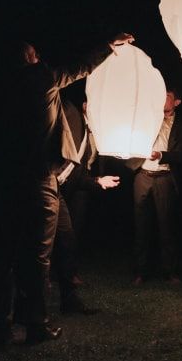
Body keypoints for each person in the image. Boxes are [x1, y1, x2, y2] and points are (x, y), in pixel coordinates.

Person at [0, 33, 133, 345]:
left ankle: (1, 326)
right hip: (39, 179)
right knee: (38, 255)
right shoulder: (42, 80)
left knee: (4, 254)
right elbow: (79, 66)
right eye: (33, 53)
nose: (38, 55)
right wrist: (108, 45)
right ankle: (36, 325)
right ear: (30, 59)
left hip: (4, 181)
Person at [52, 98, 120, 308]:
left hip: (65, 188)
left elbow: (78, 171)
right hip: (46, 184)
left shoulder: (95, 132)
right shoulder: (70, 113)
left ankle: (68, 295)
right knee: (42, 241)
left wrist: (98, 180)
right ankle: (32, 298)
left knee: (68, 237)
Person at [127, 87, 182, 285]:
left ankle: (169, 271)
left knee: (166, 226)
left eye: (168, 97)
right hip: (143, 176)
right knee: (141, 224)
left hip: (164, 177)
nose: (163, 99)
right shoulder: (148, 119)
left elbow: (180, 154)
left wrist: (161, 155)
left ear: (176, 102)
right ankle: (140, 271)